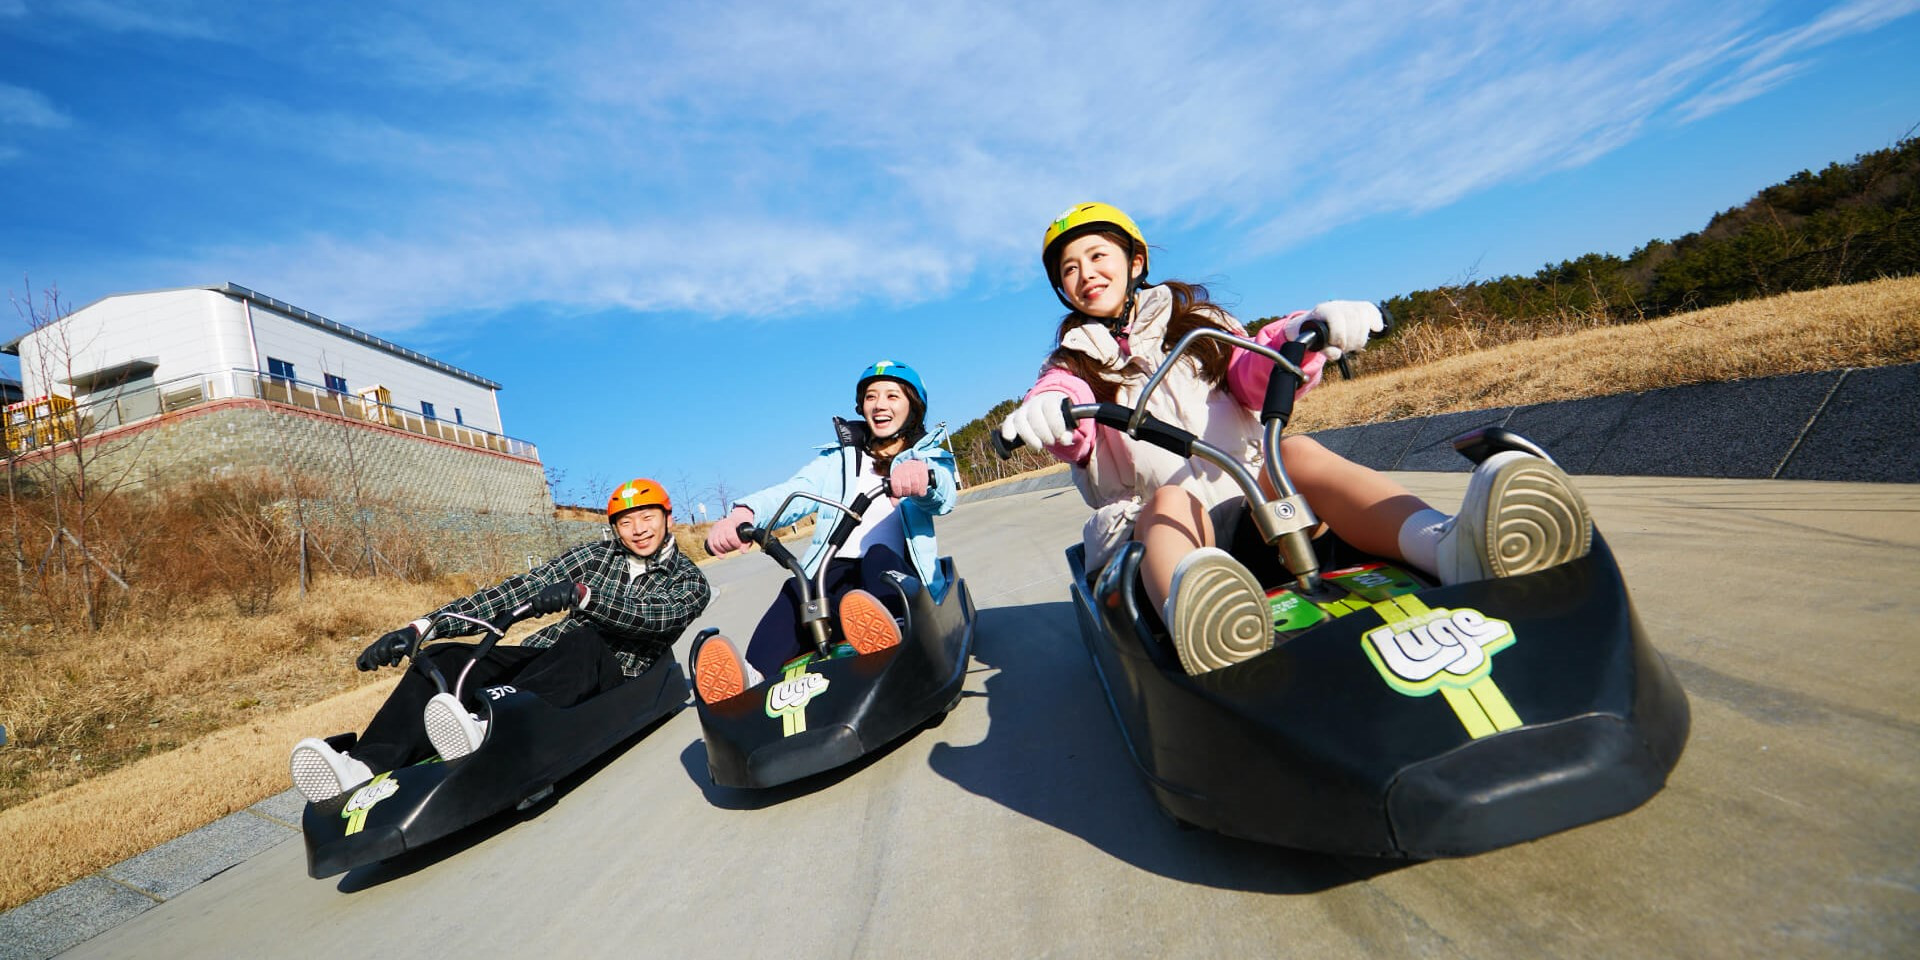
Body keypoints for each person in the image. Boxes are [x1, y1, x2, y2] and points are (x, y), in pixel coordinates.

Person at [999, 202, 1593, 675]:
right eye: (1069, 269)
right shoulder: (1071, 365)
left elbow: (1254, 372)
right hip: (1150, 526)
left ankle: (1445, 546)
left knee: (1296, 453)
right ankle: (1198, 611)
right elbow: (1063, 417)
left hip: (1252, 502)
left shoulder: (1200, 326)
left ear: (1135, 261)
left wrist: (1305, 331)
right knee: (1170, 500)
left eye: (1097, 255)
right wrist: (1048, 412)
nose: (1085, 275)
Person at [288, 478, 712, 803]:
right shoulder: (594, 557)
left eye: (647, 517)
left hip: (616, 671)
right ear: (615, 528)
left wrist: (585, 596)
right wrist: (423, 627)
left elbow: (654, 619)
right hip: (551, 662)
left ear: (667, 518)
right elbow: (515, 592)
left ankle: (489, 727)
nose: (637, 530)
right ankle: (361, 767)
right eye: (625, 522)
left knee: (585, 639)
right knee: (446, 658)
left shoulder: (689, 580)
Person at [697, 361, 957, 703]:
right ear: (861, 407)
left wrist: (923, 477)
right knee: (798, 588)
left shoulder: (926, 456)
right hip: (835, 579)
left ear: (912, 406)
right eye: (870, 397)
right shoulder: (840, 460)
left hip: (896, 577)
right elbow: (792, 491)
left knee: (877, 557)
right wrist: (744, 514)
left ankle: (895, 636)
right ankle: (751, 676)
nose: (879, 404)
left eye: (892, 395)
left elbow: (944, 496)